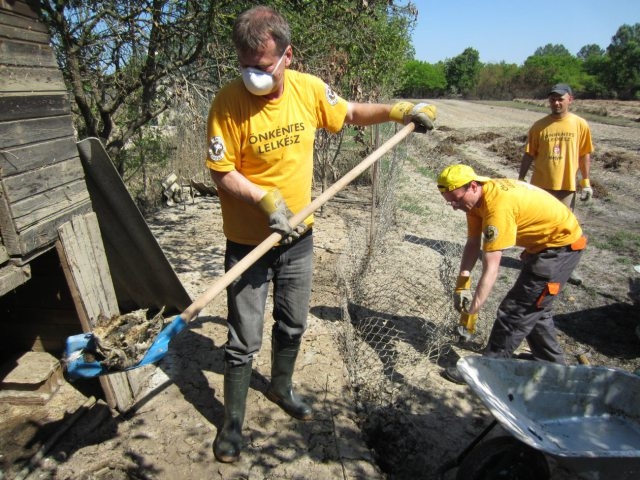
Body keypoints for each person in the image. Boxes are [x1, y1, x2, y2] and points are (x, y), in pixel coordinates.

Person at [205, 5, 436, 463]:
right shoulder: (228, 103)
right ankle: (231, 423)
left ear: (287, 55)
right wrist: (263, 199)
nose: (253, 76)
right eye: (245, 66)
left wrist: (398, 109)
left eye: (263, 66)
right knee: (242, 339)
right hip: (249, 243)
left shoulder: (309, 90)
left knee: (292, 322)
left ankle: (282, 387)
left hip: (299, 238)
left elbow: (349, 112)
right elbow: (221, 171)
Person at [437, 165, 586, 384]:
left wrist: (472, 312)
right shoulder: (475, 202)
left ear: (474, 185)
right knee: (535, 307)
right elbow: (472, 243)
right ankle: (552, 366)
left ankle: (486, 370)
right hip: (545, 246)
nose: (454, 207)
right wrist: (463, 283)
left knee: (514, 311)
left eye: (456, 200)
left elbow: (491, 269)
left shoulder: (497, 207)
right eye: (450, 201)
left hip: (559, 249)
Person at [518, 83, 594, 211]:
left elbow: (584, 154)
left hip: (566, 187)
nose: (556, 103)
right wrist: (521, 178)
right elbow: (529, 154)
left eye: (560, 99)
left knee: (563, 226)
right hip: (540, 187)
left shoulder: (580, 124)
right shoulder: (538, 126)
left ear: (570, 100)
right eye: (553, 100)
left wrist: (586, 183)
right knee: (540, 225)